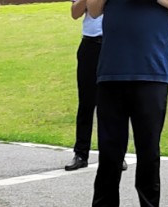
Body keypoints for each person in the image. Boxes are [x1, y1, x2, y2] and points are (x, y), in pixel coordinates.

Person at [73, 0, 168, 207]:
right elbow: (94, 11)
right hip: (110, 73)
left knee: (148, 148)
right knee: (109, 149)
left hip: (151, 72)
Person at [64, 0, 104, 171]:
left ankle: (114, 153)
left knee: (112, 103)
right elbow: (75, 13)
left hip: (113, 45)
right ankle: (81, 154)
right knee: (86, 102)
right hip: (90, 45)